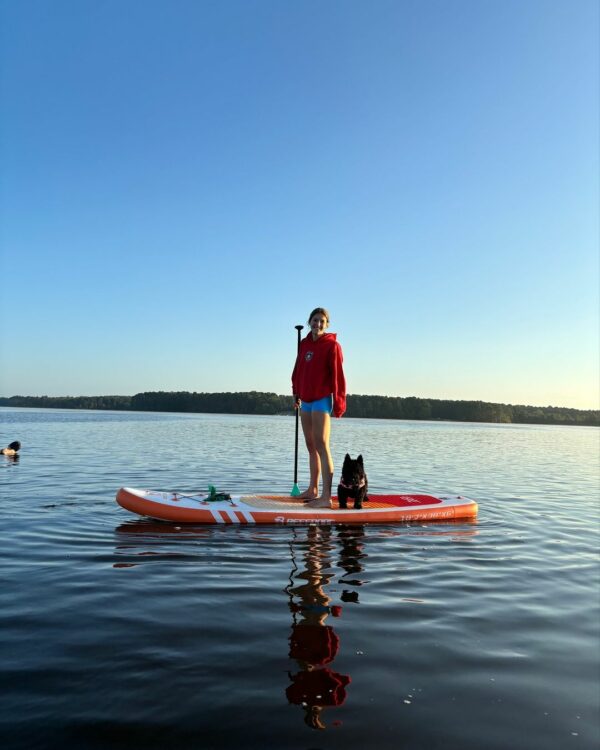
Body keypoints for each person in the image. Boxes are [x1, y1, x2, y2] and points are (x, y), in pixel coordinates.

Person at [291, 307, 346, 508]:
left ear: (327, 324)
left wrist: (339, 403)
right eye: (315, 320)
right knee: (310, 445)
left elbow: (338, 376)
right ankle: (312, 489)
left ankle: (326, 497)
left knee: (322, 445)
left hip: (322, 399)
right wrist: (295, 391)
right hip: (305, 399)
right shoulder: (304, 344)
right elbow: (298, 369)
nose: (318, 324)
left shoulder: (333, 346)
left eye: (322, 321)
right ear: (309, 322)